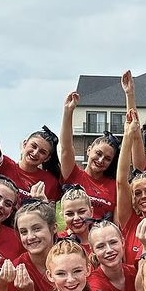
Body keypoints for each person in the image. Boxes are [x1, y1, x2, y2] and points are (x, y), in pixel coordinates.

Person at [0, 75, 62, 202]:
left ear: (47, 158)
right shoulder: (5, 167)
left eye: (42, 152)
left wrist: (42, 202)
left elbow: (48, 218)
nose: (35, 153)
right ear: (24, 144)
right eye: (33, 146)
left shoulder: (50, 182)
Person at [59, 89, 119, 219]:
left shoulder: (113, 186)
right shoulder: (73, 174)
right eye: (98, 153)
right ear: (88, 150)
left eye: (108, 159)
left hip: (100, 237)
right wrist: (68, 112)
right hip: (73, 237)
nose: (101, 160)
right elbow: (66, 148)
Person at [114, 91, 146, 263]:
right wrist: (127, 136)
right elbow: (121, 181)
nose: (143, 196)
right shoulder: (130, 220)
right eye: (138, 193)